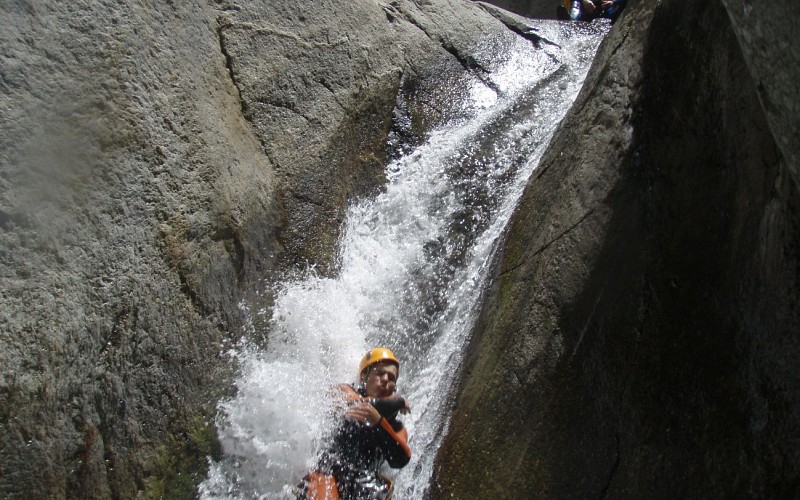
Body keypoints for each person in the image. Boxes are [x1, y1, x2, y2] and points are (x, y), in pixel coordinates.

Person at [299, 348, 412, 500]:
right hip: (328, 471)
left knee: (378, 490)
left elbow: (400, 459)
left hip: (361, 482)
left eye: (391, 377)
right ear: (364, 376)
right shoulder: (344, 390)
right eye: (379, 373)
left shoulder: (395, 426)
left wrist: (378, 422)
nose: (385, 379)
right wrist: (398, 402)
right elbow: (355, 405)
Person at [558, 0, 626, 23]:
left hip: (607, 7)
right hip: (586, 7)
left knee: (613, 12)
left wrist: (613, 2)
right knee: (577, 3)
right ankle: (571, 20)